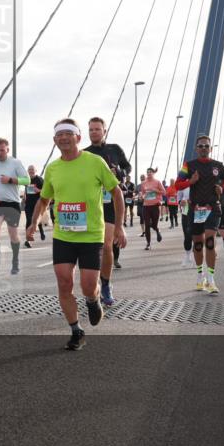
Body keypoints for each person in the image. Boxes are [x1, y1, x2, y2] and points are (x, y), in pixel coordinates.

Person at [26, 119, 126, 351]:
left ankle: (93, 299)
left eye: (68, 133)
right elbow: (44, 199)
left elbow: (117, 192)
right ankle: (76, 331)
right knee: (64, 282)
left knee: (88, 286)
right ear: (54, 140)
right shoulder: (53, 168)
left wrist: (119, 226)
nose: (63, 138)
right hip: (64, 235)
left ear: (78, 138)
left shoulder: (95, 162)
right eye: (59, 134)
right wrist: (33, 223)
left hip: (91, 235)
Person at [174, 135, 224, 295]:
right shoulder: (188, 165)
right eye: (200, 146)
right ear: (196, 148)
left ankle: (211, 279)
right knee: (198, 245)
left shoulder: (218, 166)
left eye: (206, 146)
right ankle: (200, 276)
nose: (203, 148)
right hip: (195, 209)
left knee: (210, 242)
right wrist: (190, 182)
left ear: (211, 148)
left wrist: (222, 190)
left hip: (213, 208)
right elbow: (177, 185)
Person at [83, 117, 131, 305]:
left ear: (105, 131)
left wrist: (119, 171)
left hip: (110, 201)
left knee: (106, 246)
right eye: (91, 130)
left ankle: (105, 284)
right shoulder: (84, 153)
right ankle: (92, 284)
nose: (94, 132)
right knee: (91, 249)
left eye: (97, 129)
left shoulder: (114, 149)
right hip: (91, 203)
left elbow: (127, 167)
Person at [0, 138, 28, 276]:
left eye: (2, 150)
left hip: (12, 203)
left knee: (13, 235)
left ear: (7, 150)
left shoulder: (16, 163)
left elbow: (27, 180)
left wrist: (10, 180)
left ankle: (15, 261)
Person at [138, 167, 167, 249]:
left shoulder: (157, 182)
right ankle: (148, 243)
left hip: (155, 205)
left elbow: (164, 192)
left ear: (153, 173)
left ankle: (157, 230)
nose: (149, 173)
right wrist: (142, 196)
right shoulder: (143, 183)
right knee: (147, 225)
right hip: (146, 206)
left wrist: (156, 191)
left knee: (154, 224)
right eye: (148, 172)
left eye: (150, 172)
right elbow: (143, 193)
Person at [23, 165, 45, 247]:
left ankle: (41, 231)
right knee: (29, 221)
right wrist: (24, 196)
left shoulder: (39, 179)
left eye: (32, 169)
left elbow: (47, 190)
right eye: (29, 169)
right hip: (28, 204)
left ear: (36, 170)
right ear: (27, 171)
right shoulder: (26, 180)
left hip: (37, 204)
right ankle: (28, 240)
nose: (31, 171)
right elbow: (26, 189)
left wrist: (38, 190)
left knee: (36, 220)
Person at [177, 185, 195, 268]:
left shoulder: (201, 181)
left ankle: (196, 258)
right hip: (186, 212)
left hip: (198, 212)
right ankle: (187, 255)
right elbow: (179, 197)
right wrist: (180, 202)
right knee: (187, 235)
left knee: (197, 236)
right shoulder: (183, 184)